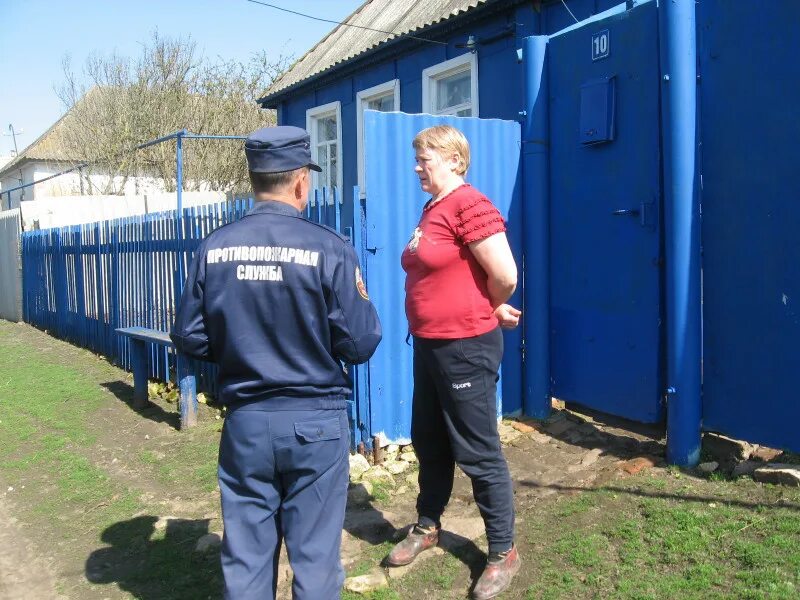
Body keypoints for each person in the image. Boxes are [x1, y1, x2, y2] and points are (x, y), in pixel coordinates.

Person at [170, 125, 382, 599]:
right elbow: (361, 342)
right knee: (315, 559)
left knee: (245, 558)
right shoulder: (328, 248)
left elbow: (188, 336)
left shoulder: (215, 247)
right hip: (316, 424)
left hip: (246, 422)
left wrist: (240, 350)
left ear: (253, 180)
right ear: (301, 182)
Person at [388, 125, 521, 599]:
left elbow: (504, 273)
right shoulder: (435, 208)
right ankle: (428, 525)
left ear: (454, 160)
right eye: (417, 158)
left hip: (465, 347)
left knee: (478, 450)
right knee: (429, 440)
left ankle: (503, 550)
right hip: (430, 344)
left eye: (425, 158)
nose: (417, 166)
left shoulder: (470, 203)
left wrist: (489, 306)